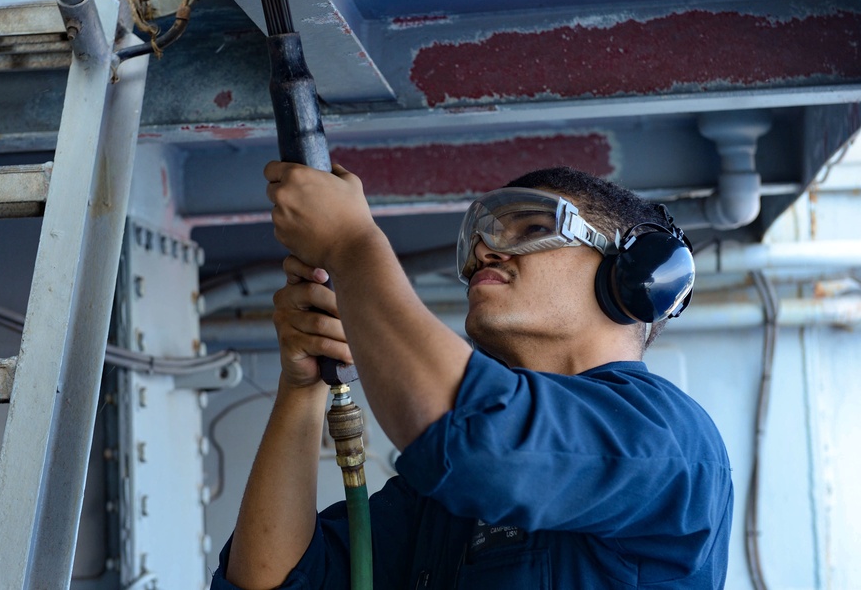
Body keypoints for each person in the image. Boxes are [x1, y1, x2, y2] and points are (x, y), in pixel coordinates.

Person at [211, 163, 733, 589]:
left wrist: (352, 244)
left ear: (634, 274)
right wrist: (302, 387)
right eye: (482, 236)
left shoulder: (666, 439)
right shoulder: (441, 499)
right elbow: (271, 582)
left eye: (531, 229)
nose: (486, 250)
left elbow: (474, 438)